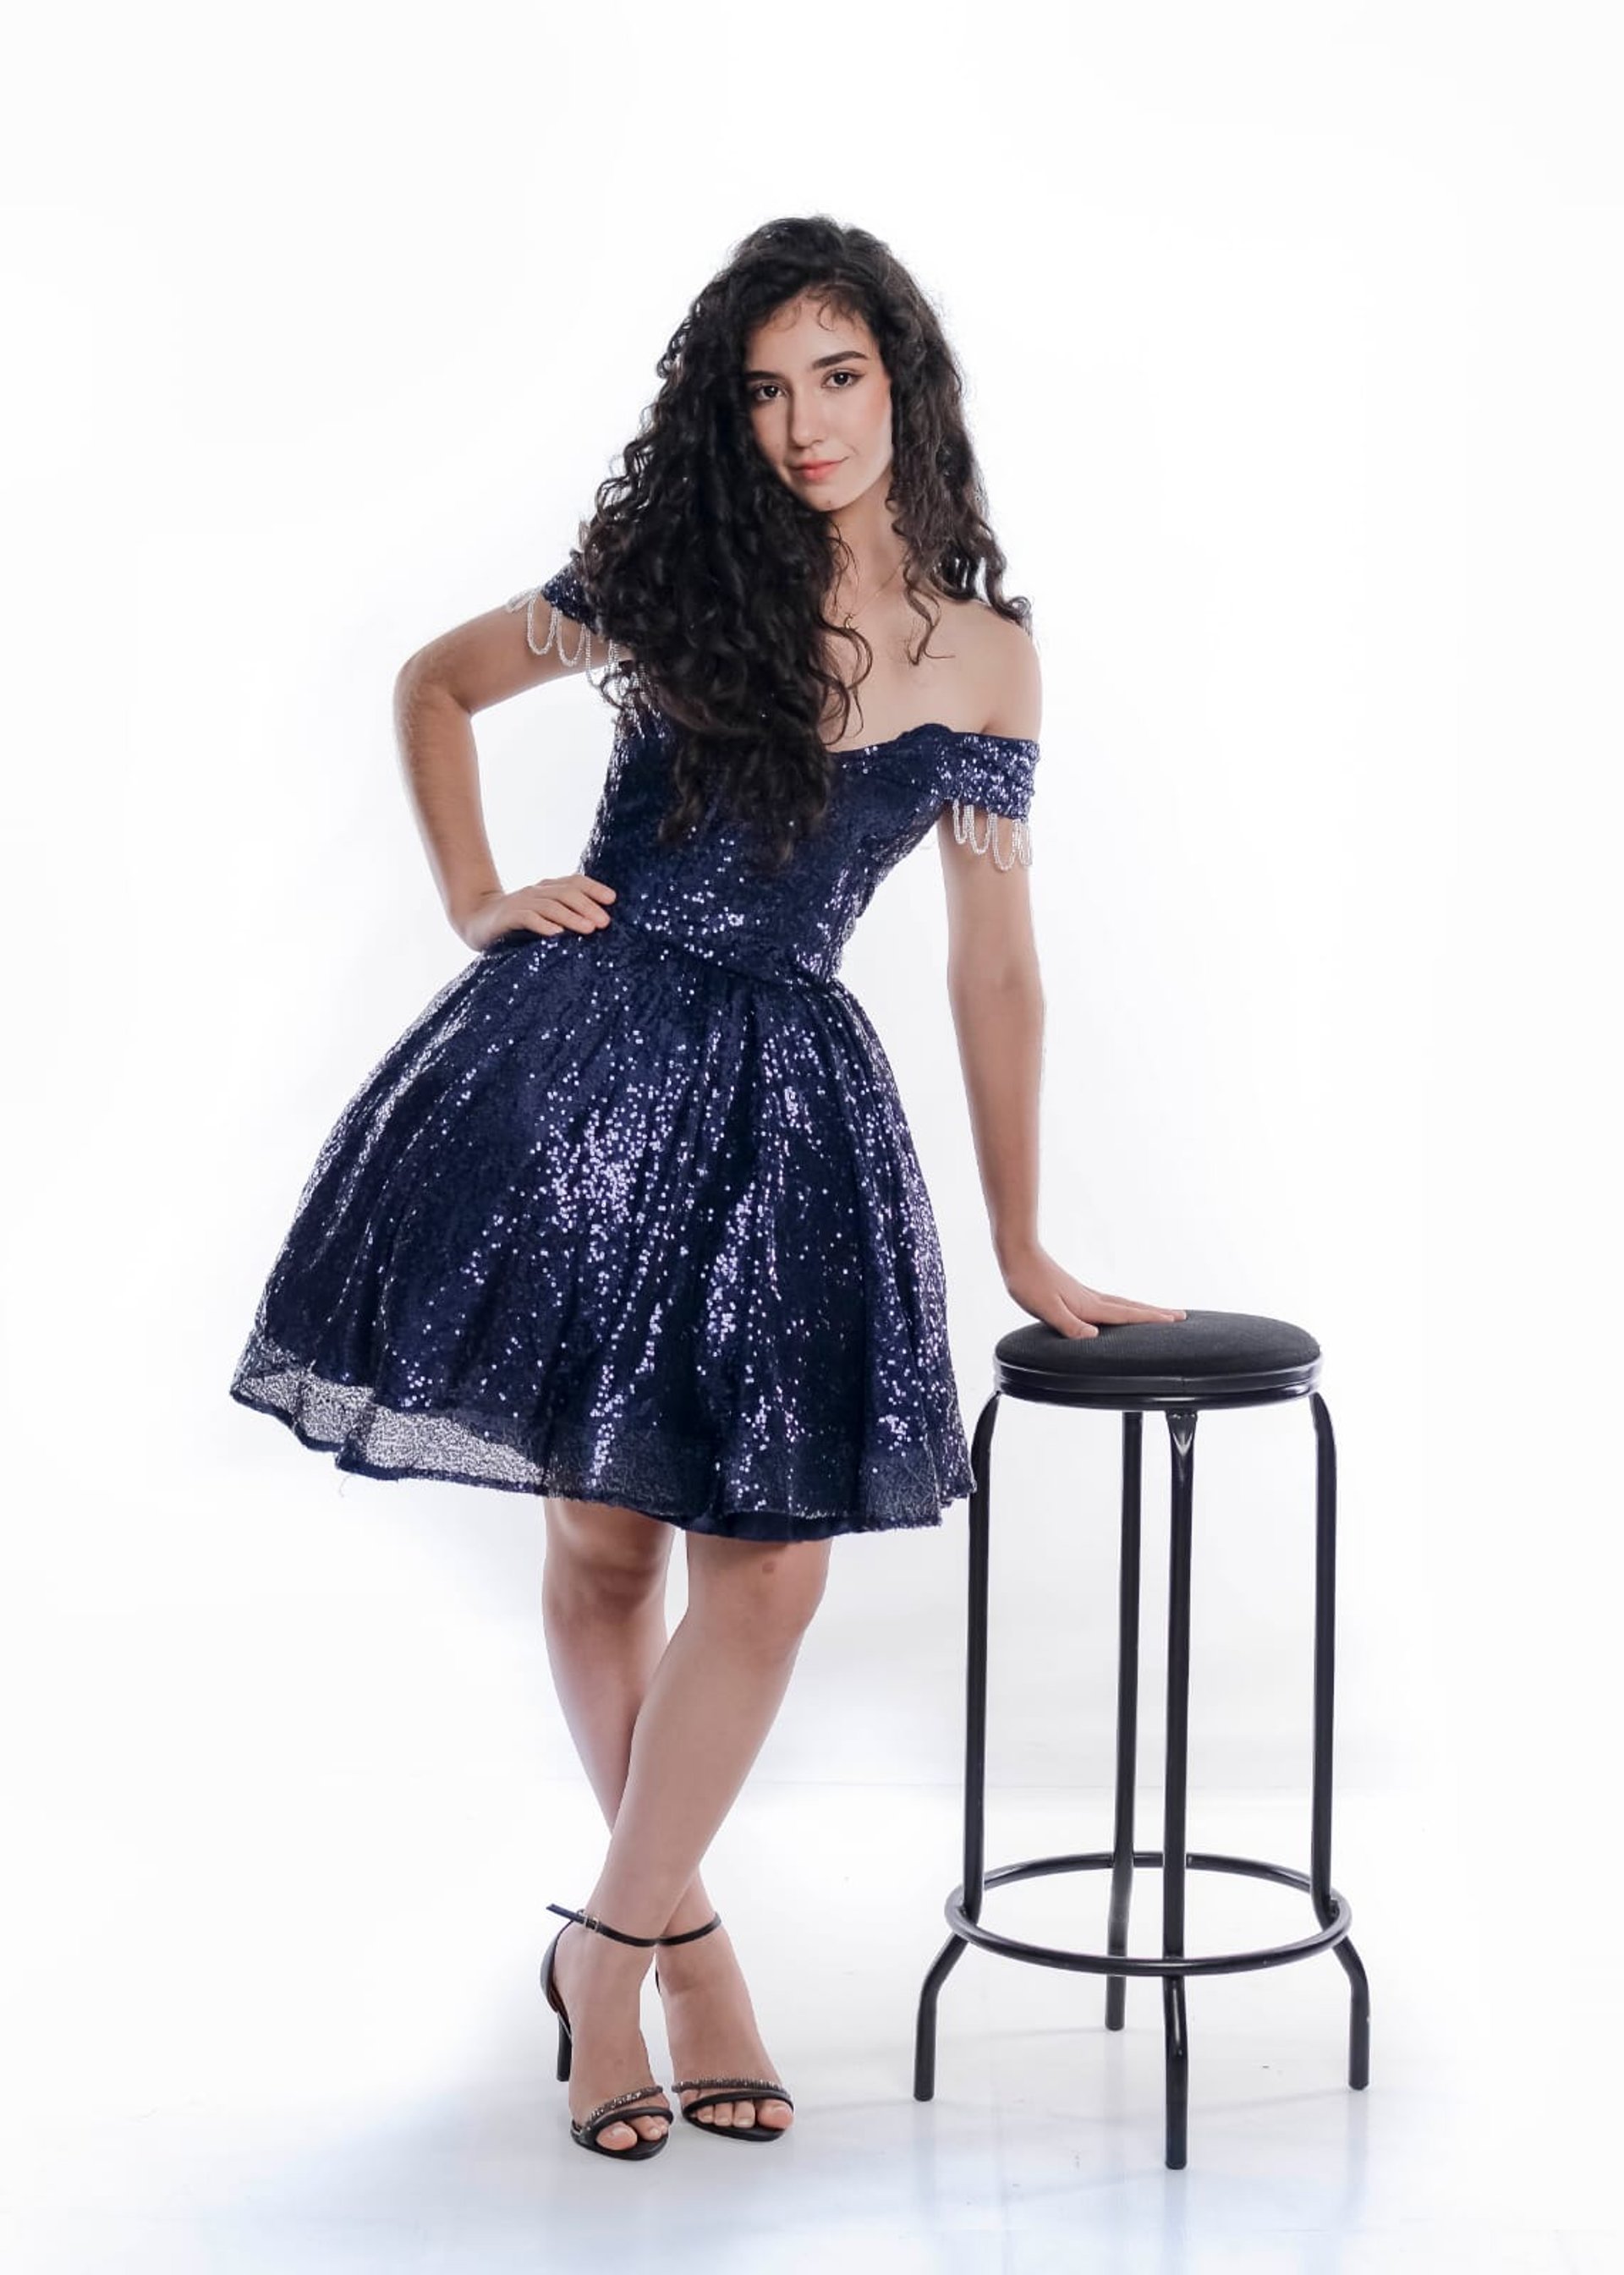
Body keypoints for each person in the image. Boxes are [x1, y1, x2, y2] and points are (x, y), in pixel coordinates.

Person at [229, 216, 1186, 2163]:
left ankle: (605, 1947)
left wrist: (1022, 1236)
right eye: (764, 390)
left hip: (784, 1114)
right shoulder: (669, 580)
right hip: (578, 1079)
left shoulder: (990, 660)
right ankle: (682, 1950)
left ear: (904, 382)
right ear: (725, 414)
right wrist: (473, 894)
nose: (806, 423)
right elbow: (434, 684)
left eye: (839, 376)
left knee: (771, 1567)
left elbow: (994, 967)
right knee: (606, 1548)